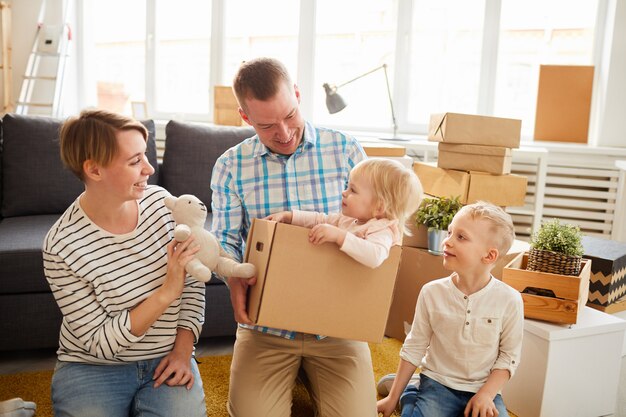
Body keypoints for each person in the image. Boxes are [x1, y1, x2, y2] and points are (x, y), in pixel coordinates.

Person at [210, 57, 377, 417]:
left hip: (338, 323)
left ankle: (310, 376)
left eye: (290, 115)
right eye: (267, 125)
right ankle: (294, 374)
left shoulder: (346, 150)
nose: (284, 133)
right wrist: (232, 277)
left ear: (298, 95)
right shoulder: (230, 165)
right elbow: (224, 240)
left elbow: (376, 222)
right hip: (267, 327)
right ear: (245, 117)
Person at [42, 110, 207, 417]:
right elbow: (100, 343)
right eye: (134, 161)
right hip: (91, 366)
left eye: (145, 155)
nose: (149, 168)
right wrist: (165, 294)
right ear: (94, 170)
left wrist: (184, 352)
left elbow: (194, 287)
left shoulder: (162, 206)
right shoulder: (61, 245)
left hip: (167, 357)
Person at [376, 201, 524, 417]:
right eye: (450, 232)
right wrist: (392, 398)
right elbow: (415, 345)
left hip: (484, 389)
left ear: (489, 256)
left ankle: (414, 390)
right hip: (438, 384)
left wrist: (486, 394)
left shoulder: (510, 300)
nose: (448, 241)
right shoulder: (431, 292)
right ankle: (409, 393)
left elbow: (508, 356)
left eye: (461, 237)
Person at [267, 158, 423, 268]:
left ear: (379, 207)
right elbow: (320, 219)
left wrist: (339, 236)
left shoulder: (382, 229)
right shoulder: (348, 220)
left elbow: (375, 257)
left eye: (353, 190)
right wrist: (290, 216)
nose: (344, 193)